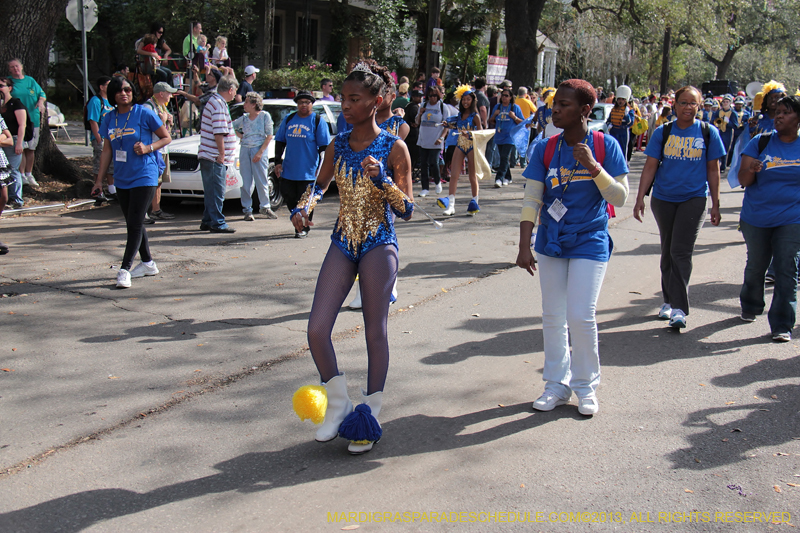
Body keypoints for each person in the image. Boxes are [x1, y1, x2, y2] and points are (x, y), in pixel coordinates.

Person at [290, 62, 414, 454]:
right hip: (343, 241)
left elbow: (408, 208)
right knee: (315, 329)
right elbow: (320, 183)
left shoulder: (395, 147)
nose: (344, 104)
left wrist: (385, 180)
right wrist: (304, 207)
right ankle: (339, 403)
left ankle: (369, 414)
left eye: (353, 99)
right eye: (343, 97)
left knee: (373, 330)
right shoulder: (337, 144)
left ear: (376, 103)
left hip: (379, 242)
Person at [516, 79, 629, 416]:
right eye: (555, 103)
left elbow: (620, 198)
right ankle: (556, 384)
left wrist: (594, 167)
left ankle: (585, 386)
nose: (555, 109)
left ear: (584, 110)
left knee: (580, 316)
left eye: (564, 105)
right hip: (551, 241)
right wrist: (525, 243)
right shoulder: (545, 148)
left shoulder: (605, 145)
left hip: (590, 240)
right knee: (553, 315)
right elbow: (532, 198)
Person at [633, 85, 725, 329]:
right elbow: (651, 165)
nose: (688, 107)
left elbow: (713, 170)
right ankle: (667, 301)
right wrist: (640, 197)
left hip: (694, 198)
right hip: (663, 199)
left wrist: (716, 203)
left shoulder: (708, 132)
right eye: (683, 102)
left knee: (680, 252)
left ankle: (679, 309)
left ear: (700, 105)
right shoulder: (663, 132)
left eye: (693, 103)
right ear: (674, 105)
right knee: (667, 251)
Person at [92, 77, 172, 288]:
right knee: (133, 222)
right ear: (113, 95)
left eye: (127, 89)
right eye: (119, 90)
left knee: (135, 222)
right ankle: (148, 263)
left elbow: (166, 138)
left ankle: (124, 269)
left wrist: (147, 148)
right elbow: (107, 150)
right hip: (122, 177)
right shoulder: (109, 118)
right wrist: (99, 180)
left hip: (145, 174)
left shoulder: (143, 112)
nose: (124, 93)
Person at [736, 95, 800, 342]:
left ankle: (782, 324)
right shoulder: (759, 143)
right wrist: (751, 170)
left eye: (786, 112)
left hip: (792, 219)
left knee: (787, 268)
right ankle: (751, 304)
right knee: (756, 266)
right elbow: (743, 181)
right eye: (778, 112)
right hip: (757, 217)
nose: (779, 116)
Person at [274, 89, 331, 238]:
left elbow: (324, 148)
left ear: (312, 104)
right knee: (288, 197)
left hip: (308, 171)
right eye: (300, 102)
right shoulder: (289, 119)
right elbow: (280, 141)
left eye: (306, 102)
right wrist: (277, 161)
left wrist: (322, 167)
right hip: (289, 169)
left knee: (305, 202)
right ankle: (298, 218)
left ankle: (303, 228)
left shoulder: (318, 121)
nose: (303, 105)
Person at [198, 75, 239, 233]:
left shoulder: (215, 102)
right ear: (230, 89)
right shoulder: (218, 105)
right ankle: (217, 222)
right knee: (216, 191)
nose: (235, 94)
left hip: (209, 154)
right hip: (214, 156)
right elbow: (219, 132)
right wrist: (222, 154)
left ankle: (208, 220)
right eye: (234, 91)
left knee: (211, 191)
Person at [437, 86, 482, 215]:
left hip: (472, 146)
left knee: (472, 176)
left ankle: (474, 202)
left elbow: (481, 132)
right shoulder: (459, 115)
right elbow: (454, 124)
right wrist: (447, 124)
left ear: (472, 100)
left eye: (468, 99)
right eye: (463, 99)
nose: (465, 102)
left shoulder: (475, 116)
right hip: (460, 145)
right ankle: (451, 205)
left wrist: (470, 134)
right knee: (454, 175)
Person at [232, 91, 276, 220]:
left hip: (259, 149)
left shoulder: (264, 116)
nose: (244, 104)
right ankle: (247, 210)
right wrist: (241, 136)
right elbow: (231, 125)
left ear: (254, 104)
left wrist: (260, 152)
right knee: (246, 181)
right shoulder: (244, 118)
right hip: (245, 148)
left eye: (246, 102)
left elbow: (269, 136)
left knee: (262, 179)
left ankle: (265, 206)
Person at [142, 82, 177, 222]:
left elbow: (166, 130)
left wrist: (170, 121)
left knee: (159, 181)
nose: (171, 95)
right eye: (169, 93)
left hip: (162, 148)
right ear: (161, 93)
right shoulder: (148, 107)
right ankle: (144, 211)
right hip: (153, 148)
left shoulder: (162, 106)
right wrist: (161, 120)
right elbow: (147, 128)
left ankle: (156, 210)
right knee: (150, 181)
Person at [7, 59, 45, 188]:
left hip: (32, 119)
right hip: (17, 120)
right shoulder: (9, 82)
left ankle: (29, 174)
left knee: (31, 148)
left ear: (22, 67)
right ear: (9, 70)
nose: (15, 69)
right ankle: (21, 175)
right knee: (20, 148)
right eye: (12, 67)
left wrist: (40, 102)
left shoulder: (30, 81)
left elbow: (42, 94)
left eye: (17, 66)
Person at [0, 77, 31, 209]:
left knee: (13, 169)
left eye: (2, 85)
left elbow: (22, 125)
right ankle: (5, 199)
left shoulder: (16, 103)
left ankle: (16, 199)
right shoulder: (1, 105)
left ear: (9, 88)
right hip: (2, 141)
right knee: (4, 172)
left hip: (13, 139)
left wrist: (19, 143)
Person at [415, 86, 451, 197]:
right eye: (430, 96)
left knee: (434, 162)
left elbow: (447, 125)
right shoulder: (423, 105)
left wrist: (441, 137)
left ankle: (437, 181)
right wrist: (420, 113)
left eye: (435, 95)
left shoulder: (443, 107)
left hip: (436, 139)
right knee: (424, 164)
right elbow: (417, 122)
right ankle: (424, 188)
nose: (432, 98)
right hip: (423, 139)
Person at [85, 76, 115, 199]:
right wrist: (98, 138)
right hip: (101, 138)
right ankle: (98, 190)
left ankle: (112, 189)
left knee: (111, 164)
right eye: (108, 85)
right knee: (99, 163)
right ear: (102, 87)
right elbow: (93, 121)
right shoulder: (96, 101)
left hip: (112, 138)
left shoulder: (112, 102)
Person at [490, 87, 523, 187]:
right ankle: (508, 177)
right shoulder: (497, 107)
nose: (504, 97)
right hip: (499, 136)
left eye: (506, 96)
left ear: (510, 97)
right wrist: (494, 116)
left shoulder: (515, 108)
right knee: (503, 158)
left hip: (509, 137)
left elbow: (522, 122)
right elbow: (491, 121)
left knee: (504, 156)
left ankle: (499, 178)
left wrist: (514, 117)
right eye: (502, 95)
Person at [606, 85, 633, 157]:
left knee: (623, 150)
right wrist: (609, 126)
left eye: (623, 99)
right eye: (619, 99)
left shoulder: (629, 110)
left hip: (623, 132)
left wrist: (626, 114)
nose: (620, 101)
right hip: (614, 131)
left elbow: (630, 122)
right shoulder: (613, 109)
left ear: (625, 100)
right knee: (613, 149)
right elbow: (609, 120)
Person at [711, 94, 735, 171]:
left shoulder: (732, 113)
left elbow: (735, 125)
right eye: (724, 102)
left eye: (727, 102)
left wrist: (728, 122)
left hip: (727, 133)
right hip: (719, 131)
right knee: (717, 147)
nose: (725, 103)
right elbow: (712, 121)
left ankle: (723, 165)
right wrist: (716, 123)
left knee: (725, 148)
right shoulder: (718, 112)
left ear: (730, 103)